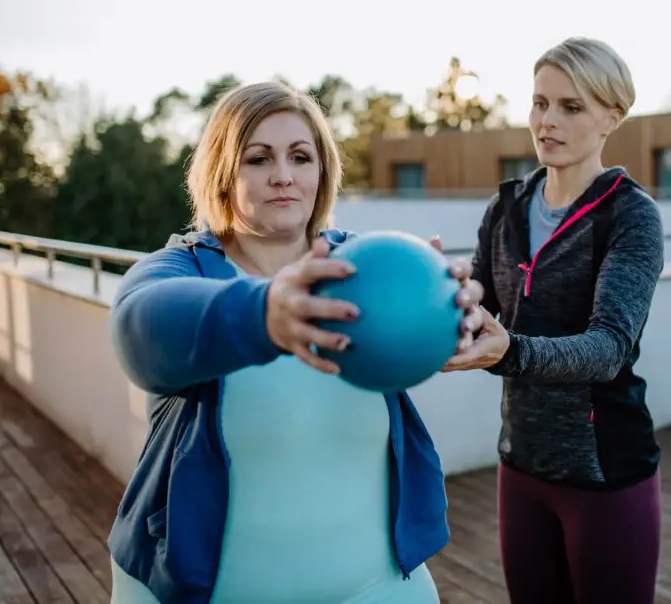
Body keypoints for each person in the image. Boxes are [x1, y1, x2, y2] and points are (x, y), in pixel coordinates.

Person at [106, 80, 485, 604]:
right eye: (258, 158)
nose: (283, 175)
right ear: (223, 174)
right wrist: (266, 312)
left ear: (321, 171)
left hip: (375, 586)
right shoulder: (181, 268)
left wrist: (454, 313)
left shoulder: (362, 265)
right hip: (197, 592)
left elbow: (442, 315)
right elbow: (140, 331)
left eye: (300, 157)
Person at [441, 37, 666, 604]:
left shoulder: (631, 215)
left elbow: (608, 348)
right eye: (540, 103)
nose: (547, 121)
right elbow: (480, 300)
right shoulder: (506, 207)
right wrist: (438, 293)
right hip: (520, 463)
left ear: (612, 117)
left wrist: (510, 351)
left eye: (571, 107)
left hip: (605, 471)